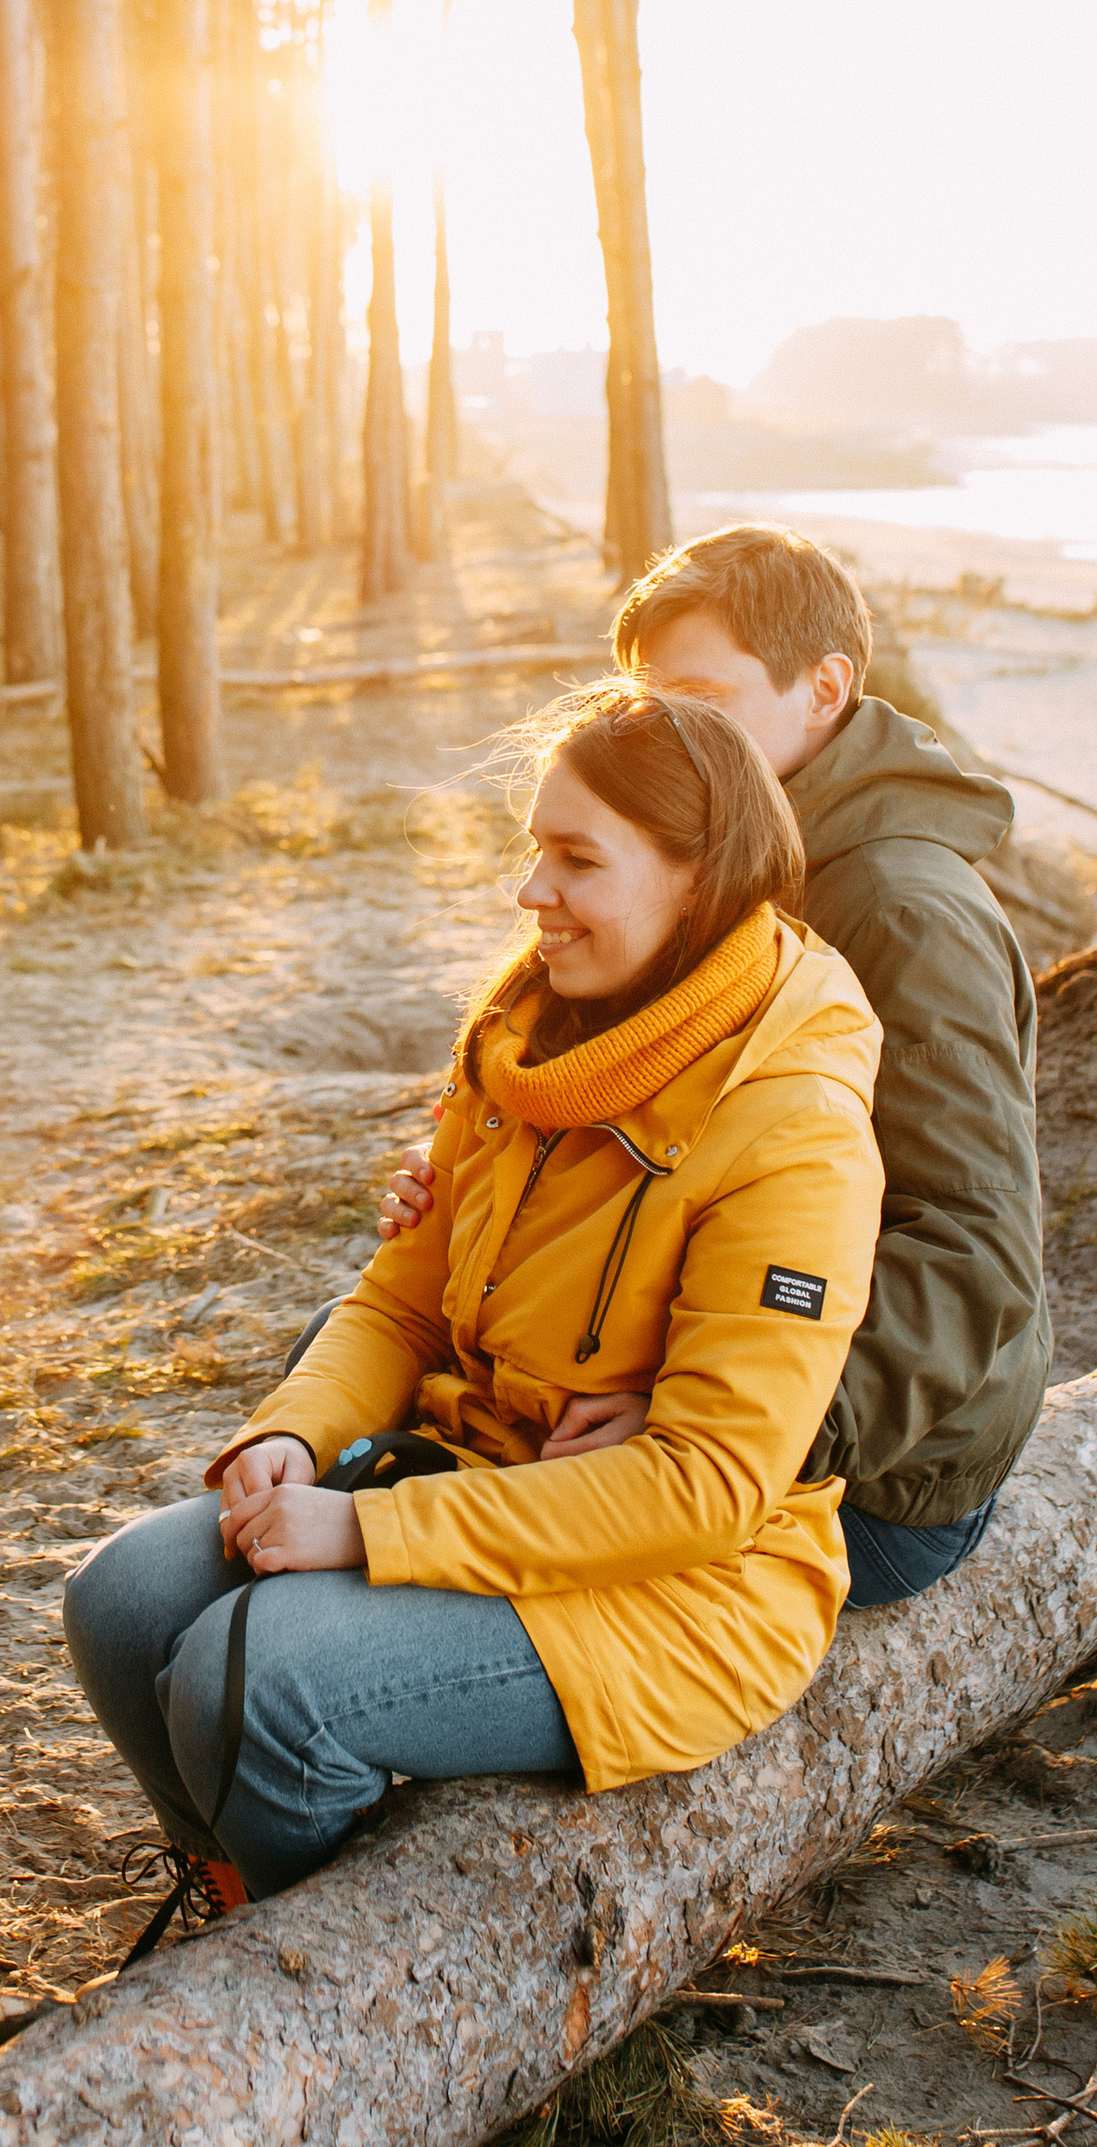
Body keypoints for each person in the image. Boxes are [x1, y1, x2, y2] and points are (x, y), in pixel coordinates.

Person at [61, 681, 884, 1905]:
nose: (528, 893)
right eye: (531, 849)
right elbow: (400, 1301)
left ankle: (335, 1985)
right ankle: (244, 1908)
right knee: (121, 1605)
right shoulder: (524, 1038)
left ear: (696, 881)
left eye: (574, 860)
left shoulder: (790, 1127)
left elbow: (709, 1486)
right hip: (474, 1469)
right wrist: (293, 1434)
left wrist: (366, 1530)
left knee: (250, 1677)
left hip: (681, 1587)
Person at [385, 523, 1046, 1610]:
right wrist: (486, 1179)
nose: (656, 732)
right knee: (358, 1352)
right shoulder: (699, 849)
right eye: (640, 700)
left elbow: (976, 1250)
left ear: (823, 688)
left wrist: (738, 1419)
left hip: (870, 1469)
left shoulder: (901, 913)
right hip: (680, 1340)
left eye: (695, 700)